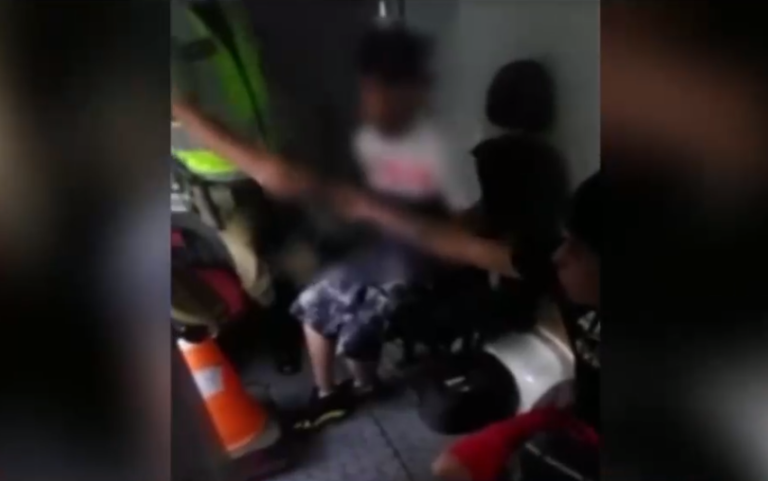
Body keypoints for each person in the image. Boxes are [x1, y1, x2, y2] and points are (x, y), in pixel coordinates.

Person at [430, 172, 602, 481]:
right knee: (451, 468)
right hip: (577, 419)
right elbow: (465, 248)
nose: (559, 256)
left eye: (577, 249)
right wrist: (367, 208)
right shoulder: (570, 273)